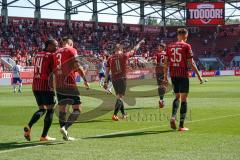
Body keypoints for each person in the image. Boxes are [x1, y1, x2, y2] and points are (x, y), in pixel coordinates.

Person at [164, 28, 203, 132]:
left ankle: (173, 116)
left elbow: (166, 62)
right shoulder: (186, 46)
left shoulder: (169, 46)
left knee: (177, 97)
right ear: (186, 36)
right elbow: (191, 63)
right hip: (183, 74)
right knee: (184, 99)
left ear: (177, 35)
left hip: (173, 74)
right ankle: (181, 126)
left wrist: (165, 77)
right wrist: (199, 76)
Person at [53, 37, 89, 141]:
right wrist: (85, 80)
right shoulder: (71, 50)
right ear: (70, 43)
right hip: (69, 83)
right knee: (77, 109)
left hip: (59, 85)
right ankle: (65, 128)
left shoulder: (56, 53)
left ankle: (65, 133)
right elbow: (77, 66)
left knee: (62, 110)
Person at [24, 39, 58, 141]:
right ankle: (44, 136)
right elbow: (53, 72)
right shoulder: (51, 56)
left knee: (42, 109)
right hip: (46, 86)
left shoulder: (38, 54)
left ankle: (29, 126)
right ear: (48, 45)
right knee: (51, 109)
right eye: (55, 45)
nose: (57, 47)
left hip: (36, 85)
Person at [104, 40, 145, 121]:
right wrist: (140, 43)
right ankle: (115, 115)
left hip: (114, 79)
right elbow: (134, 49)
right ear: (121, 49)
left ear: (115, 49)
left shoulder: (110, 58)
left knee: (119, 96)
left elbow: (107, 71)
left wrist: (106, 81)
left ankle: (123, 114)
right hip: (122, 78)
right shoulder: (124, 55)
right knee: (120, 97)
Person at [155, 43, 167, 108]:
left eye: (159, 47)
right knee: (163, 85)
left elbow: (155, 62)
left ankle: (161, 99)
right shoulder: (166, 54)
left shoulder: (157, 54)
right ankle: (162, 99)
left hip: (159, 71)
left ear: (162, 47)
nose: (158, 48)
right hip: (164, 71)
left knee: (160, 86)